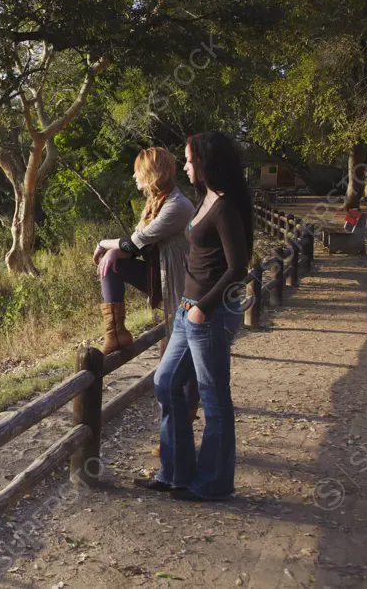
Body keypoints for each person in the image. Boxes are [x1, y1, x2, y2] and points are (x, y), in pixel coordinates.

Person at [137, 131, 252, 502]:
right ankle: (175, 473)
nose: (184, 166)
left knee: (213, 397)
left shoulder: (226, 206)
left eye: (189, 160)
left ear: (204, 162)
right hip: (189, 309)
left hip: (209, 314)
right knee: (167, 383)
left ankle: (214, 482)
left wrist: (204, 307)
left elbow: (238, 268)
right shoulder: (207, 198)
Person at [94, 146, 199, 423]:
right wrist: (114, 251)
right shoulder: (155, 202)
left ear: (151, 174)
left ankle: (180, 427)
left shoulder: (177, 206)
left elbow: (135, 242)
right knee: (111, 263)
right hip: (162, 279)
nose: (133, 176)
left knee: (180, 361)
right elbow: (135, 243)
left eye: (138, 171)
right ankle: (115, 333)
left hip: (184, 290)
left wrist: (105, 243)